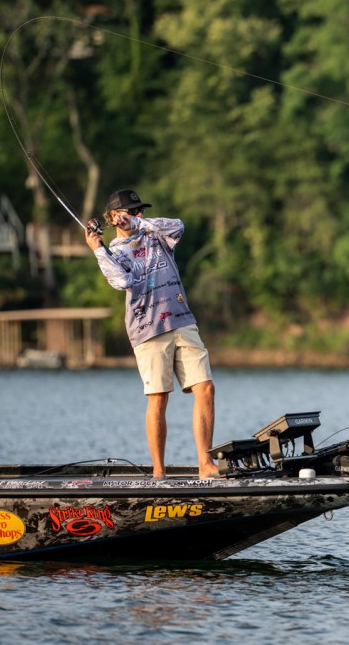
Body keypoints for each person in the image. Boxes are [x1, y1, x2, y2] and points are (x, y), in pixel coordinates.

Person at [85, 188, 218, 479]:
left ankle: (206, 464)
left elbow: (179, 226)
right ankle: (159, 471)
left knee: (206, 388)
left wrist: (138, 222)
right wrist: (97, 249)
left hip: (182, 321)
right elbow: (122, 282)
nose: (138, 214)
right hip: (148, 329)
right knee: (158, 397)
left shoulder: (156, 234)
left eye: (140, 210)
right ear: (113, 216)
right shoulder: (115, 252)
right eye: (132, 211)